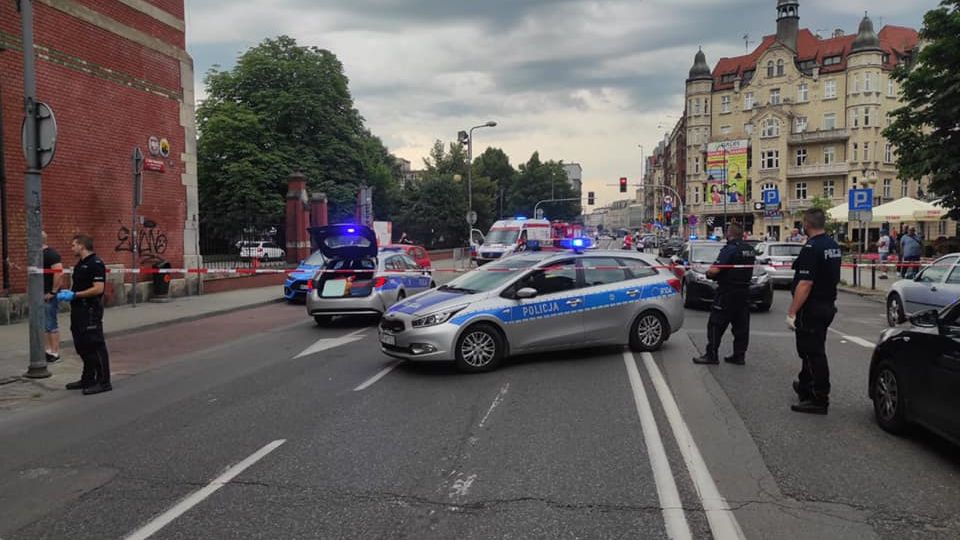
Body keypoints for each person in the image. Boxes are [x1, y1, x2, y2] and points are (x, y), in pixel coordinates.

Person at [786, 208, 842, 415]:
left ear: (807, 224)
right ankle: (804, 385)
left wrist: (792, 311)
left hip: (812, 307)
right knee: (813, 348)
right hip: (827, 304)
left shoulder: (811, 247)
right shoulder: (832, 245)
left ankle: (819, 398)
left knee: (812, 353)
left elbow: (805, 283)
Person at [693, 223, 756, 366]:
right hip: (744, 293)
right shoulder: (749, 250)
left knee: (716, 324)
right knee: (741, 326)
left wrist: (708, 273)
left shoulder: (730, 249)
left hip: (727, 292)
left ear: (729, 234)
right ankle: (739, 356)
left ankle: (712, 355)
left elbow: (715, 270)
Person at [56, 234, 111, 395]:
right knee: (82, 345)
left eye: (74, 245)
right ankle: (88, 378)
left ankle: (104, 381)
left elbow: (98, 288)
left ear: (82, 246)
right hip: (78, 309)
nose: (72, 248)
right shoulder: (81, 264)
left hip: (90, 309)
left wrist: (75, 295)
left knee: (95, 344)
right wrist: (70, 293)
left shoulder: (95, 263)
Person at [42, 232, 64, 363]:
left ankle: (55, 353)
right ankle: (47, 351)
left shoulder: (51, 254)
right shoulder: (37, 255)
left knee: (51, 323)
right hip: (40, 294)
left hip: (49, 294)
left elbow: (59, 273)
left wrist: (53, 292)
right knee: (44, 324)